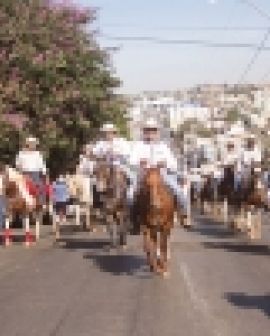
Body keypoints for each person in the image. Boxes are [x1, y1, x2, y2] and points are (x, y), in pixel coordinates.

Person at [127, 118, 186, 210]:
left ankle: (184, 214)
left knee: (179, 191)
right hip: (143, 174)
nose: (150, 133)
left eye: (153, 130)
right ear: (144, 132)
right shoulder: (138, 146)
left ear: (157, 132)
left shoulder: (163, 147)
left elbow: (174, 164)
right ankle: (130, 217)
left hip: (162, 174)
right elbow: (131, 162)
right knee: (130, 195)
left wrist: (165, 163)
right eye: (148, 130)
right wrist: (139, 162)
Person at [15, 136, 47, 204]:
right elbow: (17, 164)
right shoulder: (21, 153)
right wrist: (20, 171)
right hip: (24, 173)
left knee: (41, 187)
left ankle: (41, 204)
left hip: (35, 173)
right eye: (31, 143)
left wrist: (44, 172)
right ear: (28, 144)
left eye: (34, 144)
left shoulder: (37, 154)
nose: (33, 145)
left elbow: (41, 164)